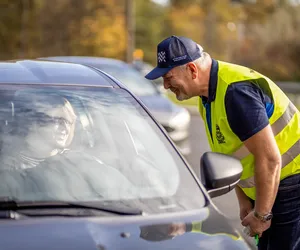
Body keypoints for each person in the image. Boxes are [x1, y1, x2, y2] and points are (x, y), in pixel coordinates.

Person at [145, 35, 300, 250]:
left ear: (192, 69)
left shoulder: (236, 93)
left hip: (290, 184)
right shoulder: (207, 96)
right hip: (273, 185)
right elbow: (231, 155)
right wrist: (244, 199)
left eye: (169, 77)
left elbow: (270, 159)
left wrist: (262, 215)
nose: (164, 85)